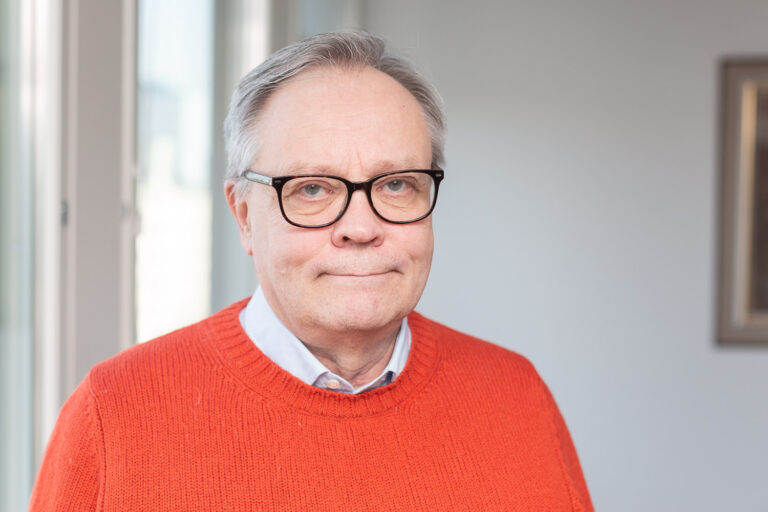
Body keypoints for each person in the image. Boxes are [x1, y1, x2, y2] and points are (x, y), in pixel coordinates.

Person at [30, 31, 593, 510]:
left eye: (396, 184)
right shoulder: (114, 414)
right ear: (244, 216)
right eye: (313, 189)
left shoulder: (518, 396)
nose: (360, 226)